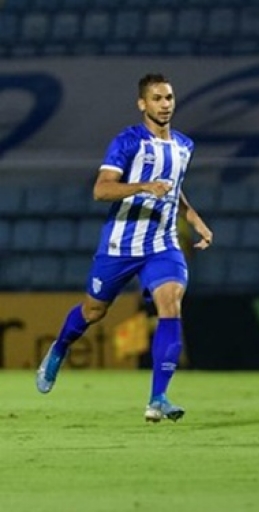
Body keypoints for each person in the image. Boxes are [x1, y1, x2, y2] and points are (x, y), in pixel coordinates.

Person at [36, 73, 213, 423]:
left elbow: (174, 188)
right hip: (121, 245)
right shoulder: (127, 142)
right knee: (92, 312)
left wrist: (195, 220)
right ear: (142, 104)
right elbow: (101, 190)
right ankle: (59, 348)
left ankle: (158, 397)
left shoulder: (184, 146)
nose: (165, 104)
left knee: (171, 302)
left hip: (162, 243)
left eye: (169, 98)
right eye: (158, 98)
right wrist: (143, 186)